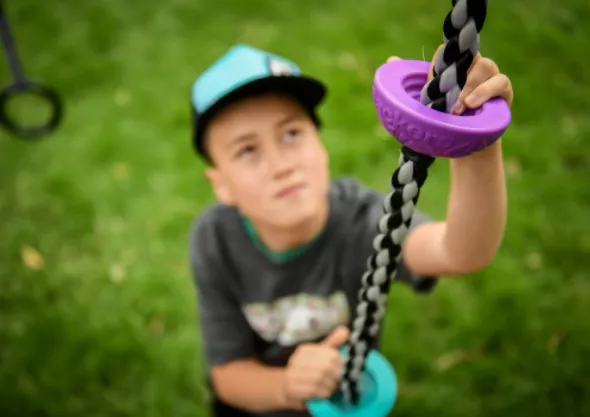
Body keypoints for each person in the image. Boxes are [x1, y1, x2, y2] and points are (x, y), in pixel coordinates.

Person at [188, 44, 513, 417]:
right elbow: (228, 375)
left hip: (352, 398)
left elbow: (460, 252)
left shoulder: (363, 221)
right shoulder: (214, 240)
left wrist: (477, 144)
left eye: (292, 133)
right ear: (220, 184)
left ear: (320, 144)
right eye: (247, 151)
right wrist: (289, 388)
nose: (280, 166)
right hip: (261, 402)